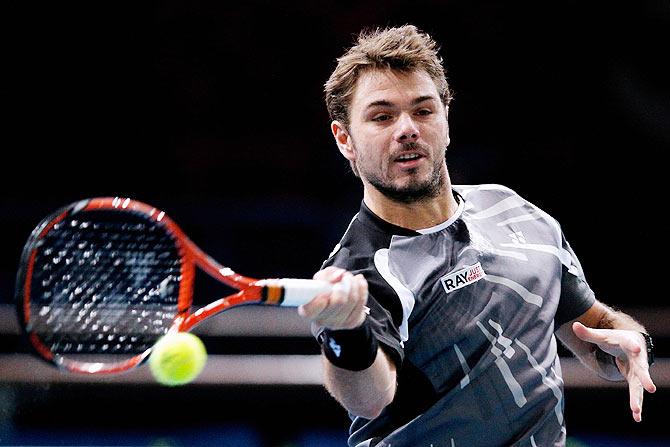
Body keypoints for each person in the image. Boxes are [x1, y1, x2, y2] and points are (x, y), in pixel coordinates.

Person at [297, 25, 657, 446]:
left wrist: (633, 343)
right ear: (345, 140)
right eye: (382, 116)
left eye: (423, 110)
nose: (407, 129)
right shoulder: (359, 271)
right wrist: (347, 331)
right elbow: (369, 397)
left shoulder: (519, 214)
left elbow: (595, 333)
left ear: (446, 117)